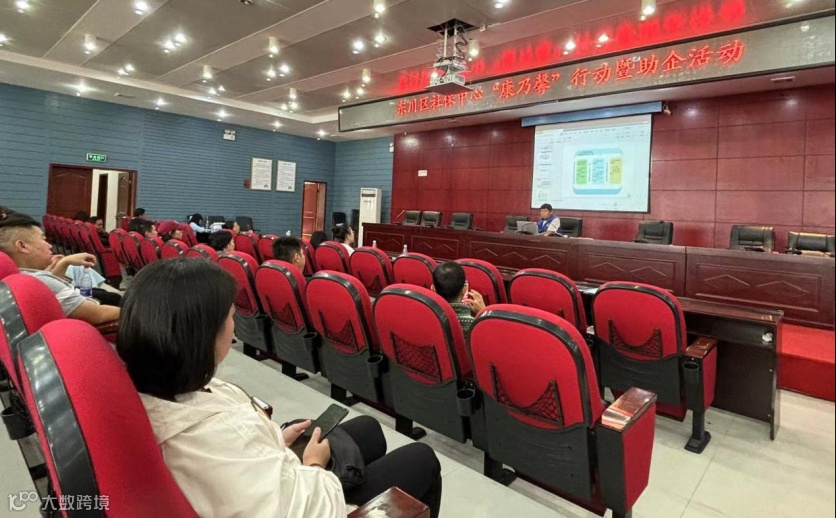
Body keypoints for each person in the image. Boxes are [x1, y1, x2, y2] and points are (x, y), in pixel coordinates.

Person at [117, 259, 442, 517]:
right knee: (421, 458)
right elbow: (311, 509)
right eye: (230, 317)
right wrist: (313, 463)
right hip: (310, 503)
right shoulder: (225, 435)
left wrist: (276, 441)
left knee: (368, 428)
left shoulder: (152, 384)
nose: (234, 326)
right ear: (202, 338)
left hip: (261, 475)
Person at [0, 211, 120, 324]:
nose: (49, 245)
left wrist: (65, 262)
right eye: (43, 239)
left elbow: (54, 291)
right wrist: (131, 313)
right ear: (22, 246)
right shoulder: (37, 281)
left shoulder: (18, 277)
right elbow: (98, 315)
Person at [431, 261, 485, 337]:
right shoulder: (475, 326)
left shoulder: (427, 318)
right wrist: (484, 313)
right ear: (464, 290)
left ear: (433, 289)